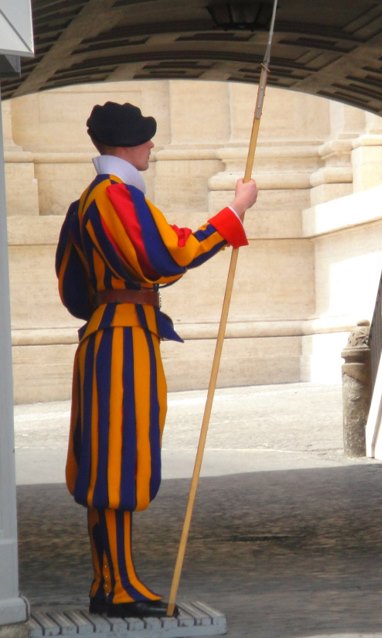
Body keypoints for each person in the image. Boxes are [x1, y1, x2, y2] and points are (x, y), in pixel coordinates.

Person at [55, 101, 258, 618]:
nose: (151, 146)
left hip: (109, 333)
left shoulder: (85, 203)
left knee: (108, 463)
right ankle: (118, 586)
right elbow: (165, 256)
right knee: (119, 463)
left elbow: (72, 288)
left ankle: (111, 580)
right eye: (145, 139)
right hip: (123, 341)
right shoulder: (113, 196)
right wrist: (232, 215)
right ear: (125, 145)